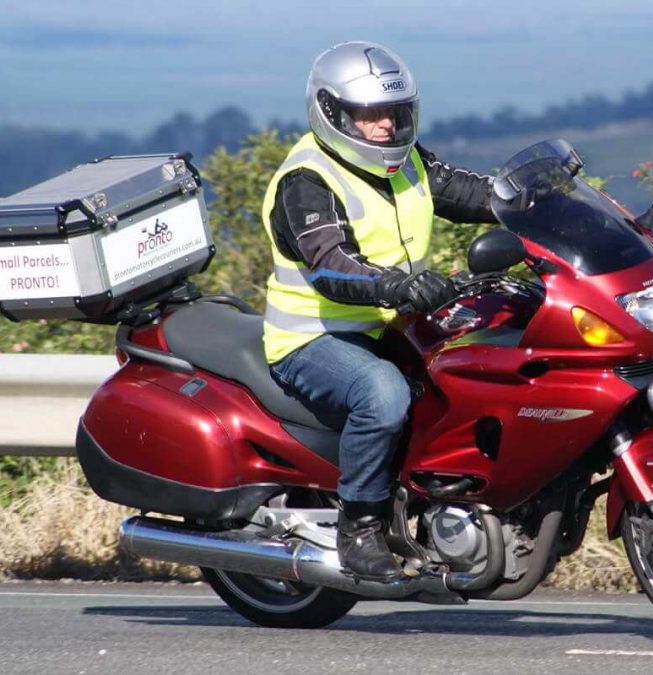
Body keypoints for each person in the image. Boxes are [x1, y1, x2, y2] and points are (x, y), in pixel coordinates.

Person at [261, 41, 498, 581]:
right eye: (368, 115)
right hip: (314, 338)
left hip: (391, 323)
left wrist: (537, 199)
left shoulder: (407, 161)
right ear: (332, 113)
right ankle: (360, 525)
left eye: (393, 113)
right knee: (382, 393)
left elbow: (469, 192)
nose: (385, 126)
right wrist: (400, 285)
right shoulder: (307, 181)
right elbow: (332, 266)